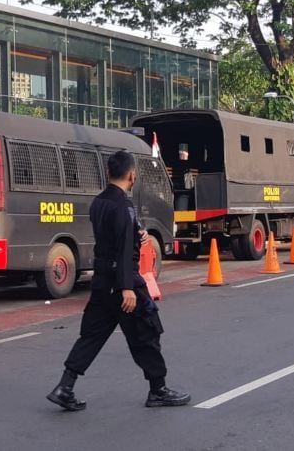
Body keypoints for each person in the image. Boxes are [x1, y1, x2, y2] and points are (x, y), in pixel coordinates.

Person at [47, 151, 190, 411]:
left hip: (102, 281)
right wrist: (127, 288)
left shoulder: (99, 202)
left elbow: (116, 236)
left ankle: (64, 386)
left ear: (108, 173)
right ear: (132, 174)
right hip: (123, 281)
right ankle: (158, 390)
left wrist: (137, 234)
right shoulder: (123, 205)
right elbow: (123, 247)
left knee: (91, 336)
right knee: (147, 332)